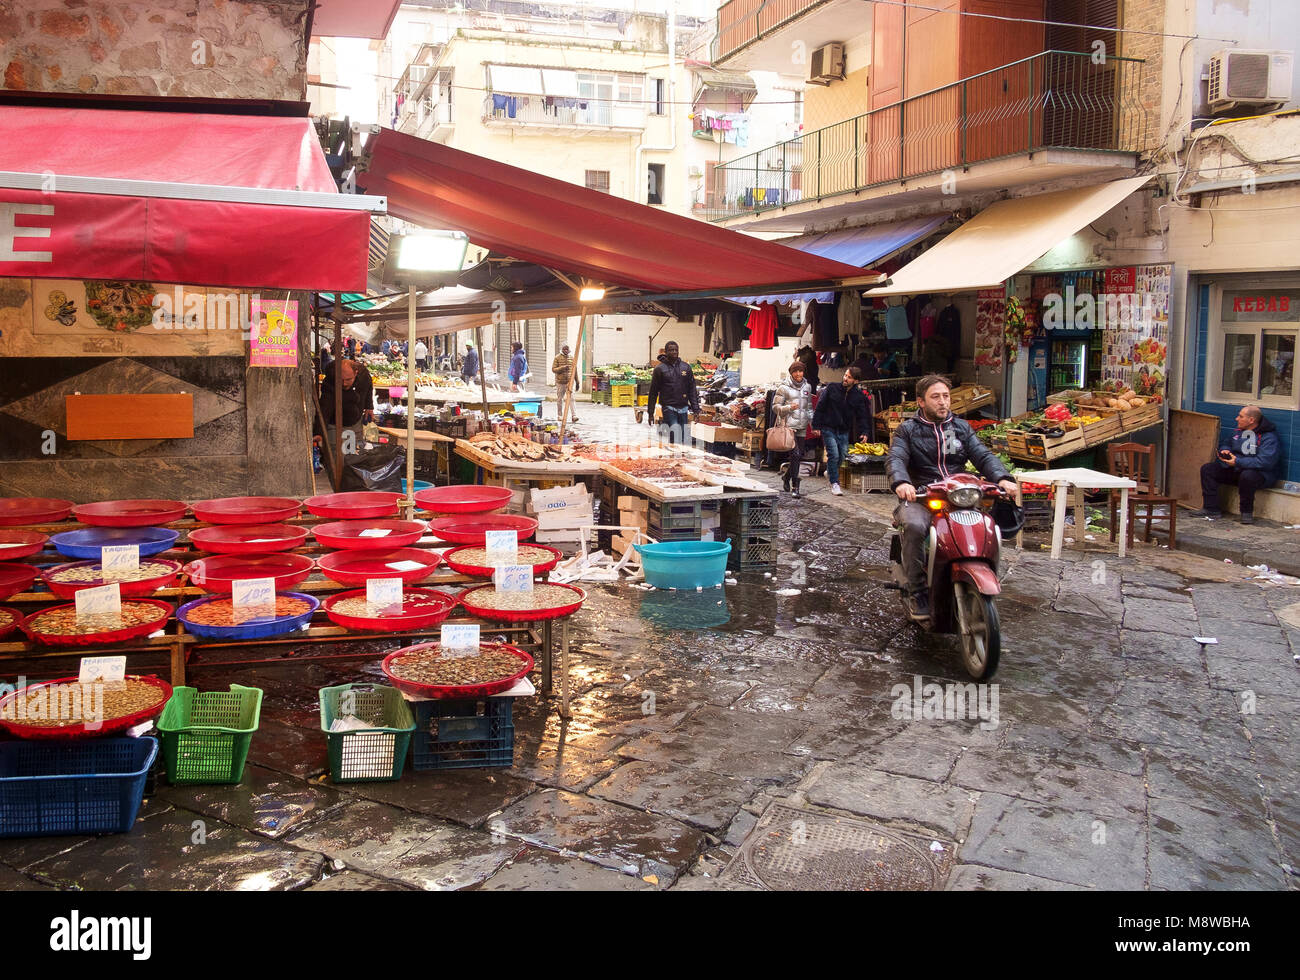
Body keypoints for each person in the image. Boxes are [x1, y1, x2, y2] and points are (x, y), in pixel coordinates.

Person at [888, 375, 1018, 619]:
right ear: (921, 402)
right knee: (915, 526)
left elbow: (982, 455)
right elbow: (896, 458)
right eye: (935, 397)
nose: (942, 402)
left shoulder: (960, 428)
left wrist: (1002, 478)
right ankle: (917, 591)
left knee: (986, 525)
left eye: (946, 396)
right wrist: (902, 482)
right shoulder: (908, 430)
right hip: (922, 495)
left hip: (959, 494)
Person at [1192, 405, 1281, 524]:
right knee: (1208, 469)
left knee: (1248, 476)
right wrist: (1225, 450)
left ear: (1251, 420)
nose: (1236, 419)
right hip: (1236, 468)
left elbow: (1265, 462)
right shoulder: (1238, 431)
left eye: (1240, 416)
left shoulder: (1269, 438)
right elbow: (1226, 443)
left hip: (1260, 475)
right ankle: (1211, 508)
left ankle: (1246, 513)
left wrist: (1238, 462)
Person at [811, 365, 871, 495]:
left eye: (849, 377)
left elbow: (862, 416)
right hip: (828, 427)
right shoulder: (832, 388)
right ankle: (835, 483)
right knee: (834, 454)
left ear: (856, 381)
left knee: (842, 455)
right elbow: (820, 406)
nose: (845, 378)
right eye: (845, 375)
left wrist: (865, 432)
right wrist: (815, 425)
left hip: (844, 430)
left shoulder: (858, 396)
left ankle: (830, 472)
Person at [772, 361, 813, 498]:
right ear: (791, 373)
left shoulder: (807, 386)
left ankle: (786, 477)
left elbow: (809, 408)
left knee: (798, 455)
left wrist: (814, 424)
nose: (798, 374)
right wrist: (789, 408)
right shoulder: (783, 388)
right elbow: (775, 407)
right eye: (795, 371)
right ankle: (796, 486)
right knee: (795, 454)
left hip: (802, 426)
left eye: (800, 371)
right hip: (788, 426)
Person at [317, 358, 374, 457]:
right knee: (336, 455)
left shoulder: (363, 374)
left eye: (348, 380)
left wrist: (369, 407)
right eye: (341, 380)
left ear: (356, 373)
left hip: (355, 422)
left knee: (354, 456)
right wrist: (319, 432)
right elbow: (324, 408)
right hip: (334, 423)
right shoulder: (330, 381)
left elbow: (369, 387)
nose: (344, 384)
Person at [646, 340, 699, 444]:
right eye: (671, 350)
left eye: (676, 350)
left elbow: (692, 389)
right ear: (665, 352)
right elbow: (653, 393)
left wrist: (696, 409)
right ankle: (674, 455)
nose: (674, 352)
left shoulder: (686, 367)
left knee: (683, 435)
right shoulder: (660, 369)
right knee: (675, 432)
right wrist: (650, 413)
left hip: (683, 407)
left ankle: (677, 456)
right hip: (668, 407)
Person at [552, 344, 578, 422]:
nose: (566, 351)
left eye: (567, 349)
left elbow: (575, 370)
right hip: (560, 382)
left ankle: (574, 415)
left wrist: (577, 382)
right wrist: (562, 368)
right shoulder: (557, 358)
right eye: (564, 349)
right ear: (562, 350)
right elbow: (553, 369)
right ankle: (560, 415)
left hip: (569, 382)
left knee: (571, 398)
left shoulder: (571, 358)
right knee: (560, 399)